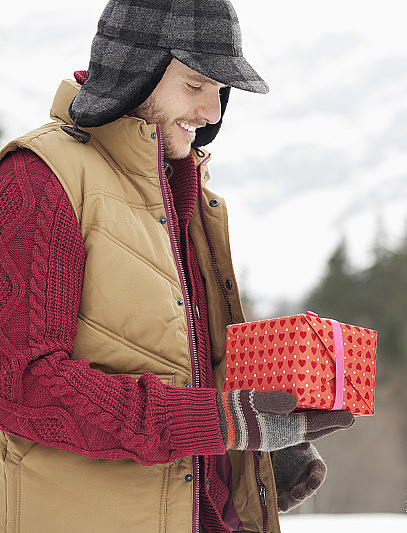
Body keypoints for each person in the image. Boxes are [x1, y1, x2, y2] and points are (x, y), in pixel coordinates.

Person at [0, 1, 355, 532]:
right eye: (195, 85)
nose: (213, 112)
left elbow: (177, 358)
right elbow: (22, 387)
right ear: (133, 72)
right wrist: (218, 423)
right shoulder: (41, 179)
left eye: (221, 91)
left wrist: (253, 448)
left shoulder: (191, 195)